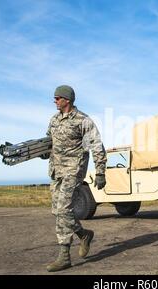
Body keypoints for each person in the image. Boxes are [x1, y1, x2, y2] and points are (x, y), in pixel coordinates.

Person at [44, 85, 107, 272]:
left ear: (67, 100)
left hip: (73, 170)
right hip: (56, 170)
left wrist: (101, 171)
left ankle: (64, 256)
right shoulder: (54, 120)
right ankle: (84, 234)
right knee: (57, 211)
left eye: (57, 98)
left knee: (63, 209)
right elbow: (48, 141)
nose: (54, 101)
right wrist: (41, 152)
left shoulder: (83, 121)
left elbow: (96, 145)